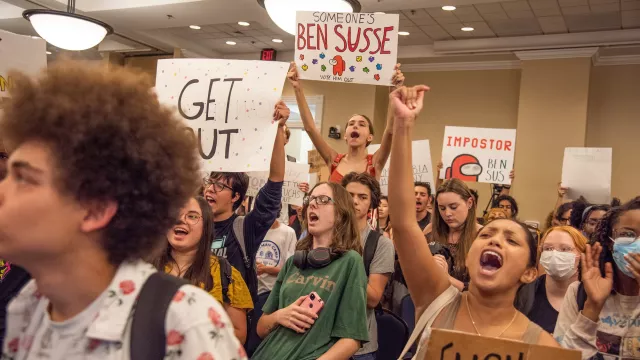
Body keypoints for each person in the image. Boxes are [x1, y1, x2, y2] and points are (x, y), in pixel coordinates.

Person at [0, 61, 243, 359]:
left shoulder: (184, 323)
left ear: (94, 209)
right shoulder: (29, 305)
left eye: (24, 178)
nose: (3, 191)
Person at [386, 84, 558, 359]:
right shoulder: (436, 299)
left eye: (510, 240)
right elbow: (404, 220)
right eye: (486, 235)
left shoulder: (542, 348)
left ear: (529, 272)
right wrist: (404, 125)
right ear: (469, 257)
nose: (494, 240)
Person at [252, 182, 369, 360]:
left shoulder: (350, 262)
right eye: (311, 199)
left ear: (340, 213)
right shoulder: (293, 263)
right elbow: (261, 328)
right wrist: (280, 316)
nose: (313, 204)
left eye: (323, 199)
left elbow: (352, 340)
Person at [204, 100, 289, 302]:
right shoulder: (192, 223)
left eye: (221, 186)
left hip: (233, 320)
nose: (210, 189)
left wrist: (278, 129)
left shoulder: (245, 229)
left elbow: (275, 181)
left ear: (236, 197)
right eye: (210, 182)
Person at [153, 196, 254, 344]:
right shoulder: (143, 267)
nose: (180, 220)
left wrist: (191, 334)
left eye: (192, 216)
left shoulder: (225, 274)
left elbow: (239, 334)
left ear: (206, 226)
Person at [286, 62, 404, 183]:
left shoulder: (375, 162)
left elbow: (390, 131)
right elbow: (310, 128)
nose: (355, 126)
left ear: (370, 137)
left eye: (362, 124)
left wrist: (394, 93)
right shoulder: (333, 160)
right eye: (351, 124)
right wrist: (297, 88)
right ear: (345, 135)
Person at [554, 197, 640, 360]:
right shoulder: (579, 292)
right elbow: (562, 356)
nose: (638, 244)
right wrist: (592, 308)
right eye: (627, 234)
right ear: (610, 242)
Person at [342, 172, 395, 360]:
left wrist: (342, 266)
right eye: (349, 195)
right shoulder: (323, 234)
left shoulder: (380, 244)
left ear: (371, 204)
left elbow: (372, 298)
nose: (354, 201)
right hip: (320, 340)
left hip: (359, 347)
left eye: (362, 197)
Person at [519, 226, 587, 334]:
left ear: (582, 255)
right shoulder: (525, 292)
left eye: (565, 249)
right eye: (548, 249)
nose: (554, 254)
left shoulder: (590, 295)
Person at [423, 178, 483, 290]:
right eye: (442, 208)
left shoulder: (483, 236)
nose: (447, 213)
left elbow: (487, 290)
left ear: (469, 203)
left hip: (467, 304)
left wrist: (447, 279)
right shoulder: (430, 231)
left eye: (453, 207)